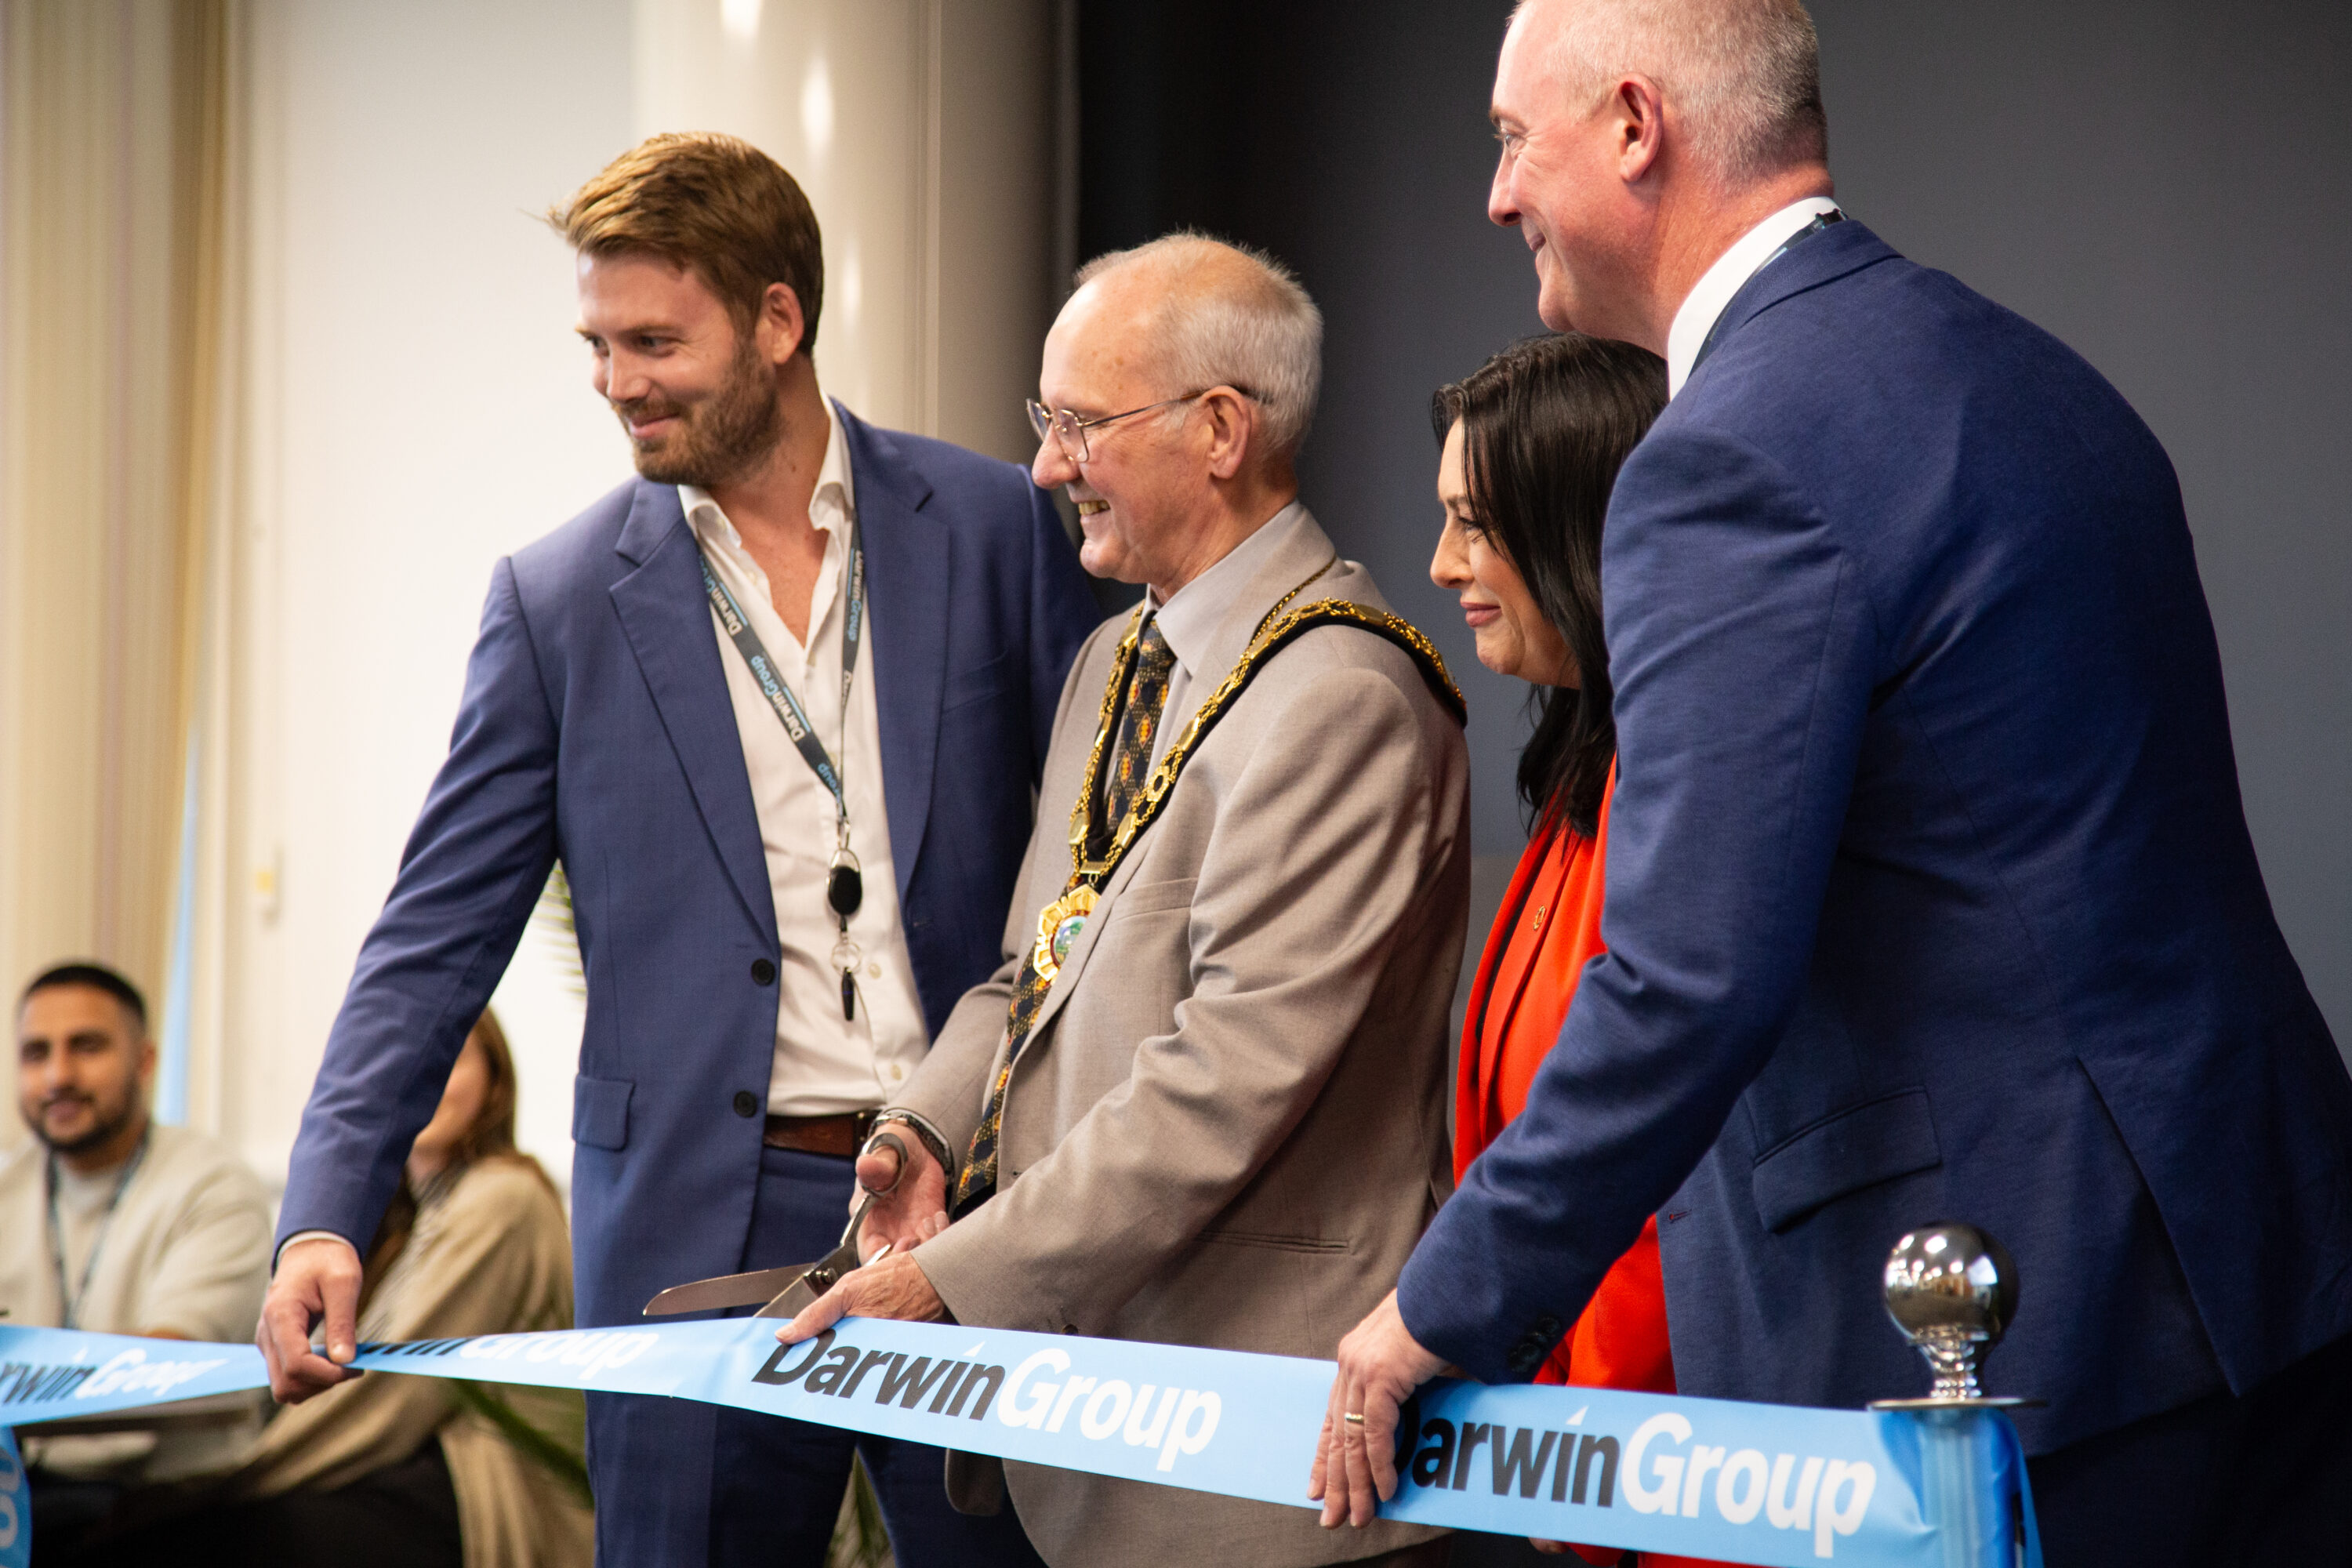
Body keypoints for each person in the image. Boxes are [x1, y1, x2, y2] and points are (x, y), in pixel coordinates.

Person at [1317, 2, 2352, 1563]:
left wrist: (1436, 1309)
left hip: (2006, 1368)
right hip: (2263, 1273)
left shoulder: (1729, 453)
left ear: (1635, 128)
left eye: (1514, 139)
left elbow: (1686, 976)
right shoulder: (2039, 379)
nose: (1497, 193)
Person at [256, 132, 1100, 1568]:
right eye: (598, 344)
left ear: (780, 321)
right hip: (694, 1230)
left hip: (974, 1197)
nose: (616, 382)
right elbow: (432, 935)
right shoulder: (559, 599)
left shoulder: (993, 527)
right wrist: (324, 1214)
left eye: (654, 340)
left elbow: (1100, 856)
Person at [775, 233, 1472, 1568]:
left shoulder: (1342, 695)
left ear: (1220, 431)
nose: (1046, 465)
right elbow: (1034, 969)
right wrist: (923, 1130)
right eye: (1050, 423)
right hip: (1107, 1433)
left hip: (1254, 1470)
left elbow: (1226, 1079)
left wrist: (953, 1277)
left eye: (1081, 423)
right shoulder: (1117, 661)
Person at [1429, 335, 1733, 1568]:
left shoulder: (1677, 799)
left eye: (1474, 524)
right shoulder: (1580, 780)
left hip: (1668, 1483)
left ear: (1579, 526)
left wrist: (1592, 1466)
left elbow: (1669, 1172)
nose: (1444, 564)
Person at [85, 1009, 590, 1568]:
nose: (427, 1077)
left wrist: (230, 1483)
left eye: (452, 1058)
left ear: (495, 1079)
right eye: (403, 1064)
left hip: (487, 1497)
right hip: (403, 1470)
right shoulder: (403, 1217)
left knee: (182, 1533)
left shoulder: (502, 1199)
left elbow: (389, 1397)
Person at [2, 962, 273, 1544]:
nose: (58, 1076)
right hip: (28, 1485)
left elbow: (167, 1361)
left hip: (173, 1502)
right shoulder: (8, 1185)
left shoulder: (216, 1187)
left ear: (145, 1062)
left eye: (88, 1047)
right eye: (35, 1053)